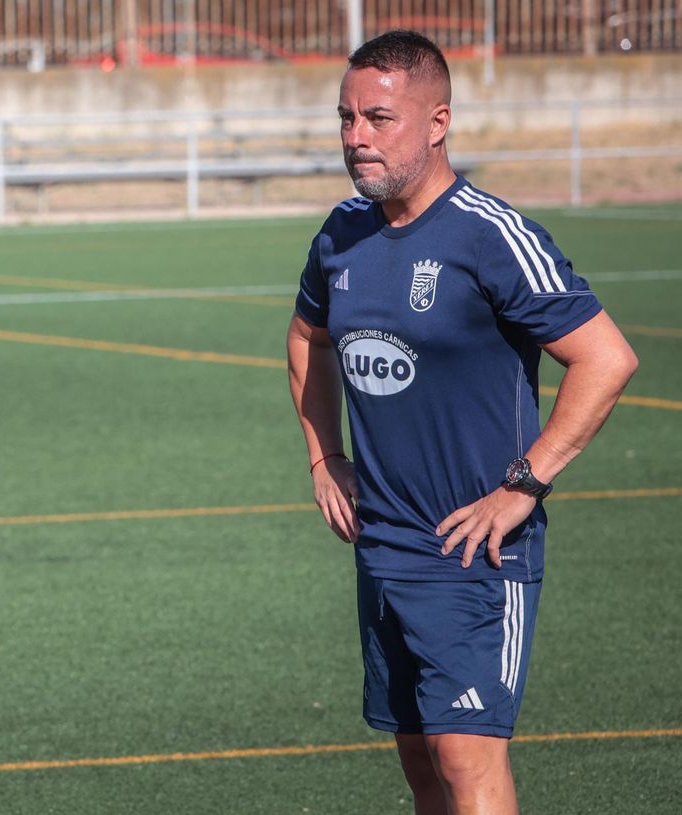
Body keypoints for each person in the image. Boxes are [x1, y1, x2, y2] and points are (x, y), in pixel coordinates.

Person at [285, 30, 638, 815]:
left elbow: (606, 358)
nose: (356, 139)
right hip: (383, 541)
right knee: (420, 760)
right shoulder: (342, 232)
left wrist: (524, 485)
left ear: (438, 122)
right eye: (345, 118)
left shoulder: (490, 234)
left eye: (379, 119)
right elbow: (306, 337)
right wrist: (323, 456)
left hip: (476, 548)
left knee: (467, 760)